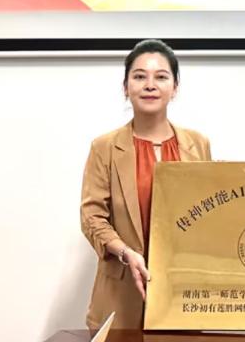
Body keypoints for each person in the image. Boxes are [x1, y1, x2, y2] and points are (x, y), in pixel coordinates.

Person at [80, 39, 212, 330]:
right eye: (139, 76)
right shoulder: (104, 147)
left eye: (161, 77)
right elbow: (92, 218)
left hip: (182, 294)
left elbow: (207, 214)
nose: (150, 85)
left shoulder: (198, 144)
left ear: (175, 87)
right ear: (125, 87)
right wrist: (125, 252)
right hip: (121, 295)